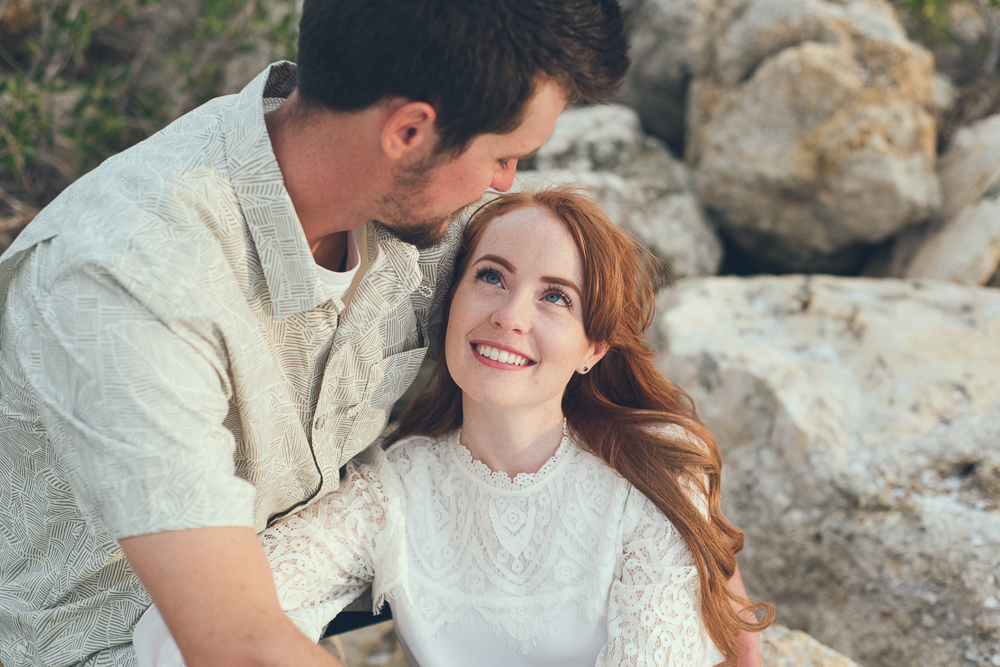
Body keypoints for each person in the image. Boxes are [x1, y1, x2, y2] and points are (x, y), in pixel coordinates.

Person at [0, 2, 630, 665]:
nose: (506, 183)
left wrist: (690, 536)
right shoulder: (127, 279)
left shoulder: (411, 207)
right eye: (504, 156)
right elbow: (237, 646)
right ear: (410, 130)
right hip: (108, 647)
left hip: (307, 589)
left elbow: (567, 345)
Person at [133, 187, 775, 667]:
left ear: (593, 349)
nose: (510, 316)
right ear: (451, 301)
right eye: (491, 276)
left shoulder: (654, 473)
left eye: (556, 296)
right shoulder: (393, 492)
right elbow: (204, 617)